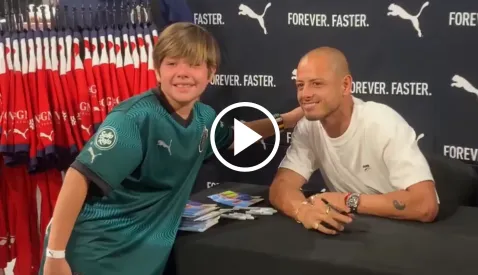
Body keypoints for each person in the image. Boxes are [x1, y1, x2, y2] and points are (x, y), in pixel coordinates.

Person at [41, 22, 303, 275]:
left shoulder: (204, 117)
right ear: (157, 71)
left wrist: (287, 120)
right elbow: (78, 177)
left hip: (142, 259)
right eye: (172, 63)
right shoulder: (134, 118)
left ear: (211, 73)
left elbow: (236, 137)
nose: (183, 72)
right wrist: (55, 256)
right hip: (96, 256)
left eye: (193, 64)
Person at [269, 47, 439, 235]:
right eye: (300, 85)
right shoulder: (308, 127)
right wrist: (302, 210)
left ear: (345, 85)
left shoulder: (382, 122)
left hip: (405, 234)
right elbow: (282, 185)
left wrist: (346, 200)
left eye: (317, 84)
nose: (305, 94)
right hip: (355, 232)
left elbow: (425, 204)